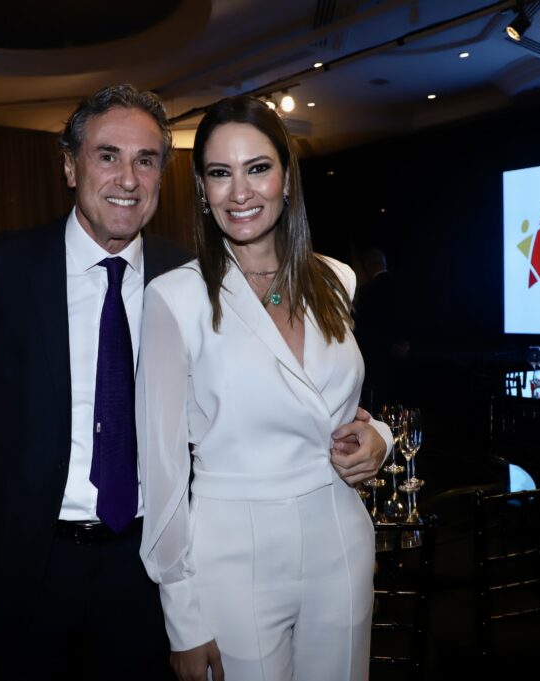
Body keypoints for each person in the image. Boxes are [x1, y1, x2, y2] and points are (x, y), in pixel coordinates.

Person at [0, 84, 383, 680]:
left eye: (145, 160)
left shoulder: (184, 274)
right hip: (29, 559)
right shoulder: (0, 268)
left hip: (145, 568)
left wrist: (375, 435)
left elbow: (301, 395)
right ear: (70, 166)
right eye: (107, 156)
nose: (128, 178)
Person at [137, 96, 392, 681]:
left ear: (286, 178)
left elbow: (341, 406)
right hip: (233, 552)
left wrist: (376, 436)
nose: (240, 192)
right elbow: (163, 469)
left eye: (257, 168)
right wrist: (182, 615)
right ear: (202, 190)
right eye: (220, 173)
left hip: (340, 533)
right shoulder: (175, 299)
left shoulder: (337, 279)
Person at [351, 248, 411, 409]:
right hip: (400, 354)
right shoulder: (401, 285)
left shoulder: (368, 290)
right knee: (399, 398)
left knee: (378, 401)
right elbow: (408, 317)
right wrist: (404, 343)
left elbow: (366, 327)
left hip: (377, 356)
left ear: (368, 266)